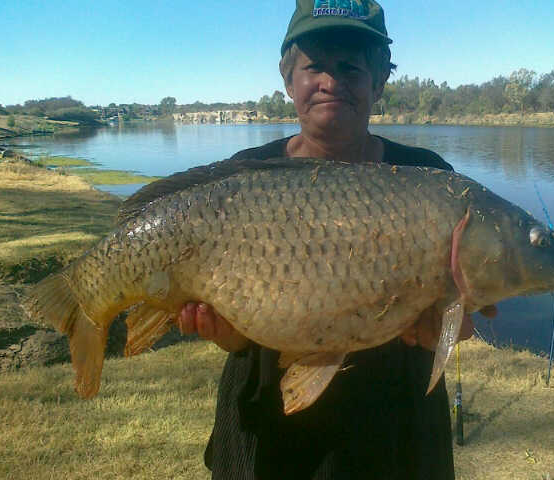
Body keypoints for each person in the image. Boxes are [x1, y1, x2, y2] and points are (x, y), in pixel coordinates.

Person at [125, 1, 493, 478]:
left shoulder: (432, 179)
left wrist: (450, 325)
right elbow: (239, 332)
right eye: (314, 66)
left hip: (396, 437)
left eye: (351, 68)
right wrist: (232, 336)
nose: (331, 82)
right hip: (267, 433)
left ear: (379, 79)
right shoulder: (244, 177)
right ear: (287, 77)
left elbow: (457, 321)